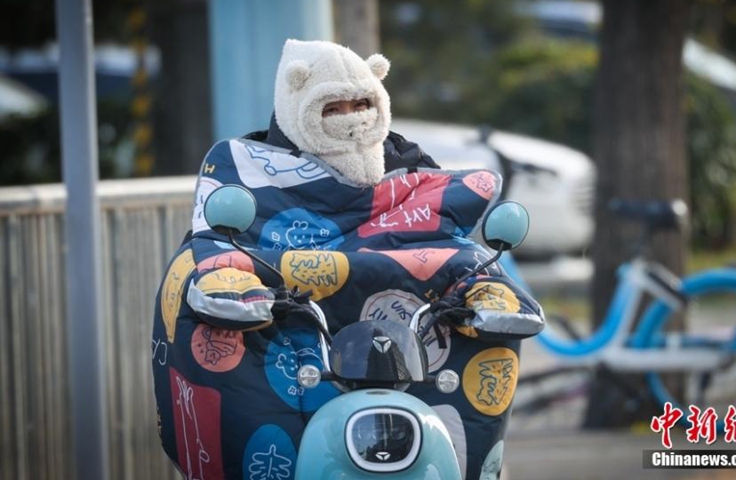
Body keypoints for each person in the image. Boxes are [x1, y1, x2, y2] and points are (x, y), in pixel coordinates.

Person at [151, 39, 544, 480]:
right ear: (297, 104)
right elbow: (213, 247)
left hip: (405, 349)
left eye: (363, 103)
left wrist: (483, 288)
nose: (353, 118)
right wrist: (229, 281)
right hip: (294, 337)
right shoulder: (250, 173)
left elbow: (454, 247)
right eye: (332, 107)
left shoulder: (415, 176)